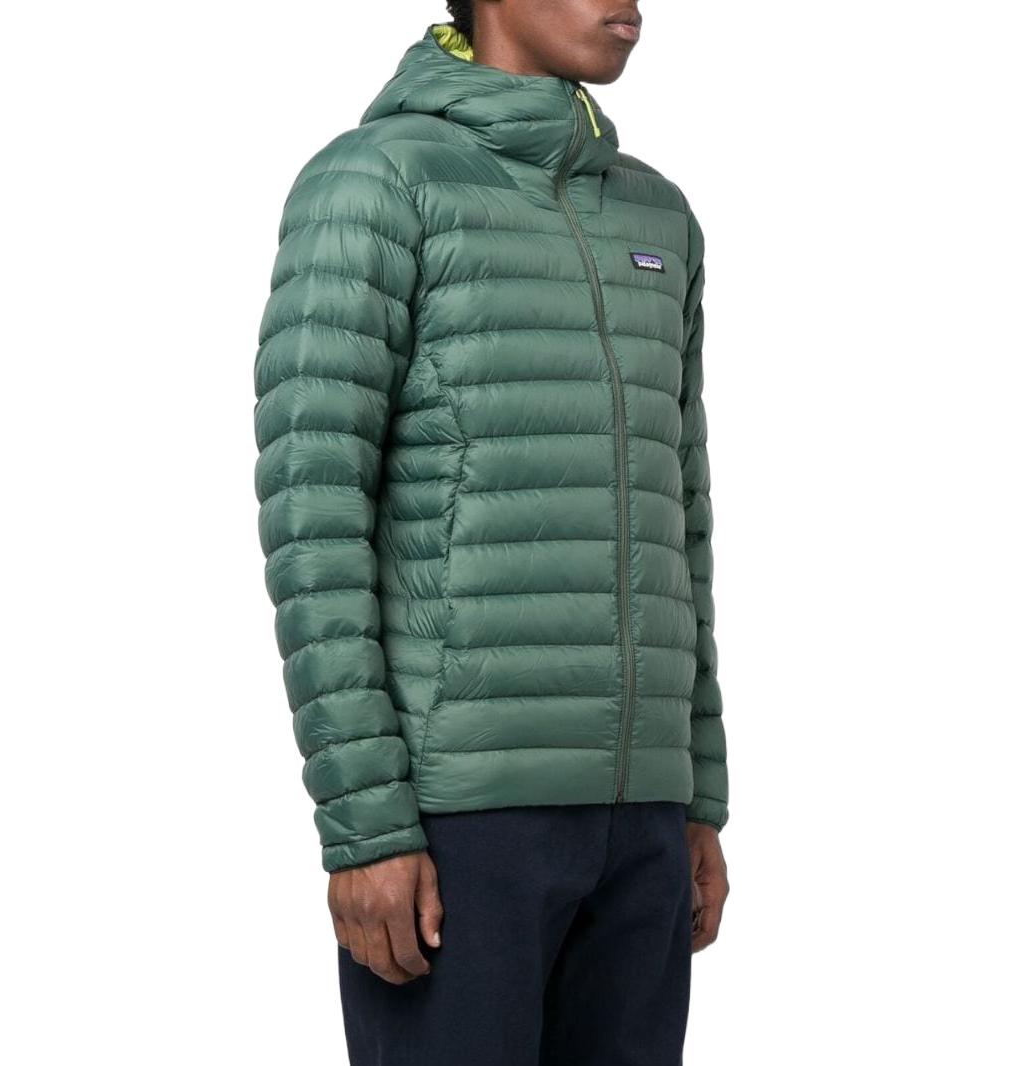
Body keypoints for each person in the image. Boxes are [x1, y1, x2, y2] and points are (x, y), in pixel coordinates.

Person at [252, 3, 729, 1062]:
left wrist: (695, 795)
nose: (631, 5)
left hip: (642, 822)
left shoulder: (657, 217)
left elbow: (681, 519)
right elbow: (312, 516)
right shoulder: (375, 185)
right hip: (459, 822)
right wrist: (366, 826)